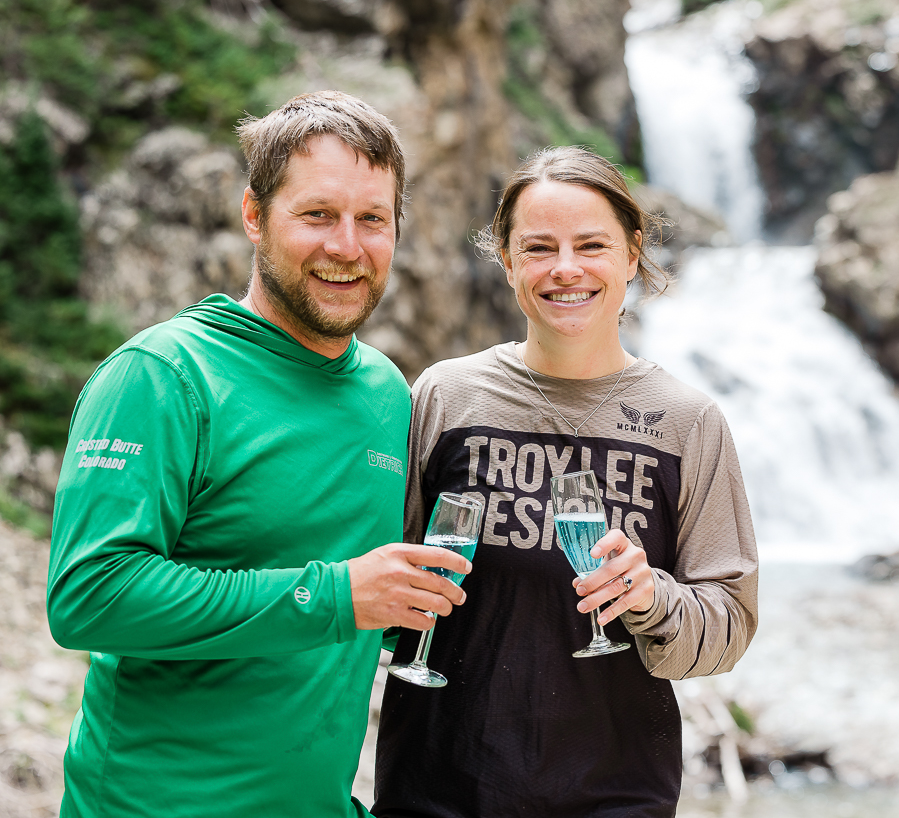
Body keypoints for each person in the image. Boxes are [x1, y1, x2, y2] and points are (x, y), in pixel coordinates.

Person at [46, 90, 471, 818]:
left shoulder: (385, 394)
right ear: (253, 215)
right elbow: (88, 595)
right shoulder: (162, 375)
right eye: (317, 215)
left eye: (372, 219)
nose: (347, 245)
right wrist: (332, 595)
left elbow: (377, 597)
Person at [374, 147, 759, 818]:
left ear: (633, 253)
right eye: (540, 246)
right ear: (507, 257)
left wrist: (651, 599)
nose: (566, 268)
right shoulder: (445, 396)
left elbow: (729, 625)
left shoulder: (688, 422)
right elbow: (378, 593)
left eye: (591, 244)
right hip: (438, 791)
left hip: (613, 796)